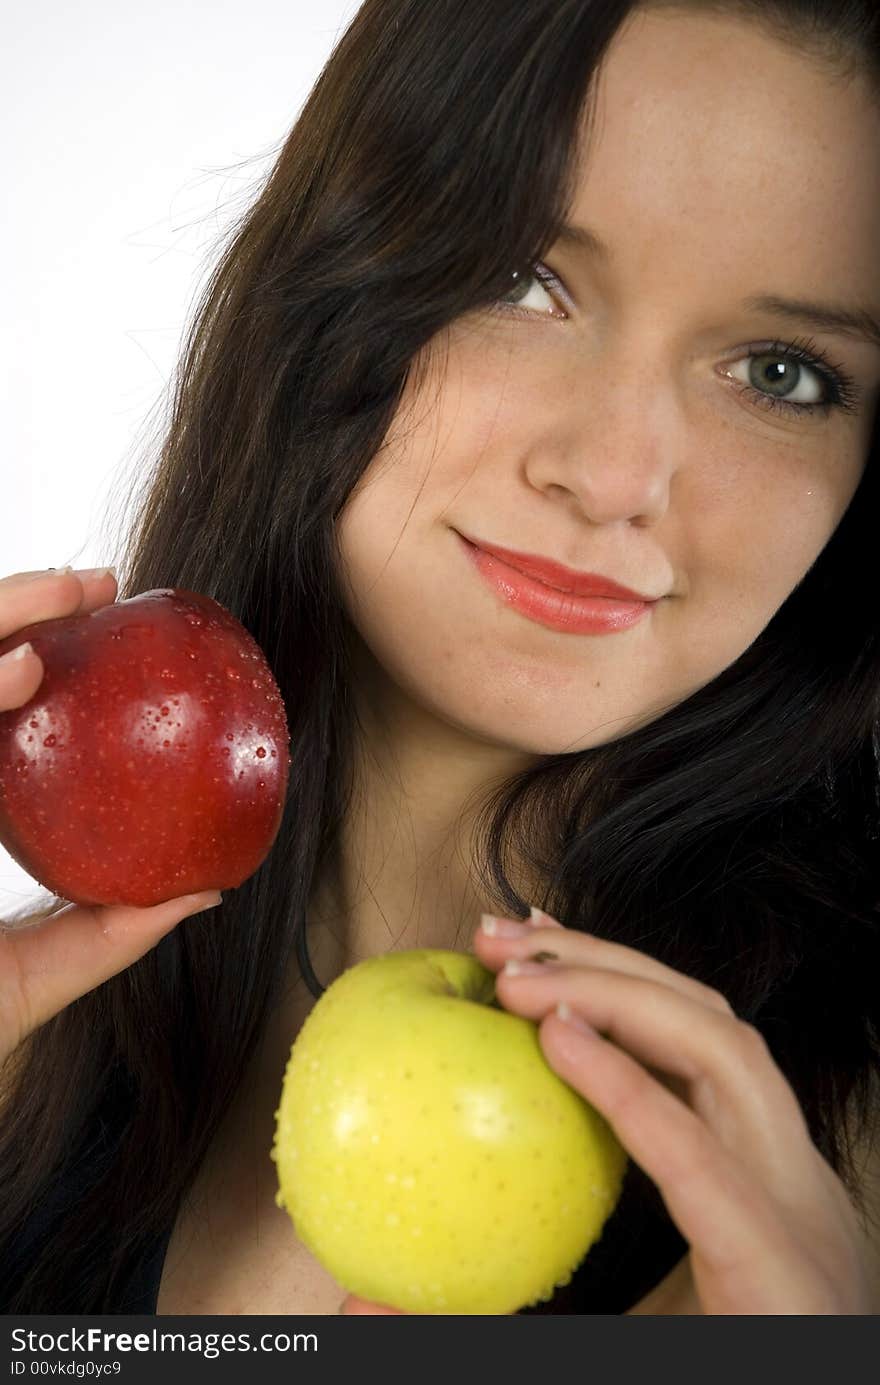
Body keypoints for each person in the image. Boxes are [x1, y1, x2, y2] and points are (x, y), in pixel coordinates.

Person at [1, 0, 879, 1316]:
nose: (614, 476)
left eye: (782, 371)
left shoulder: (832, 1177)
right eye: (522, 279)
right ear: (328, 279)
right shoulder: (35, 1043)